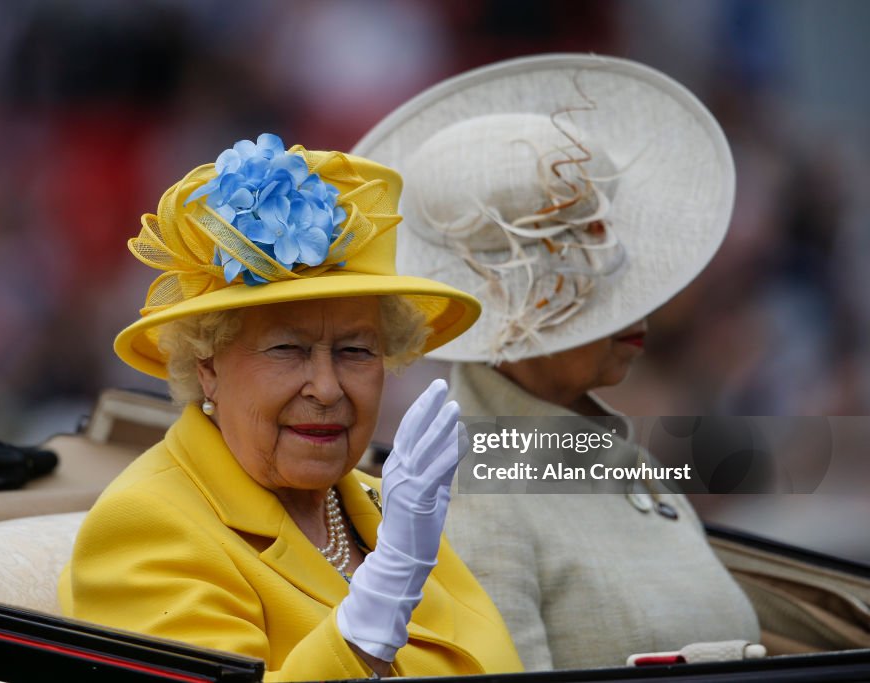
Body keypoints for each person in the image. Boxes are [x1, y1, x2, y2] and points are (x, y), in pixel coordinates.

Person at [58, 133, 523, 680]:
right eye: (287, 350)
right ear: (207, 366)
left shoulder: (384, 508)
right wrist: (386, 592)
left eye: (355, 351)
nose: (326, 389)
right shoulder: (146, 527)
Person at [353, 55, 762, 670]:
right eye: (587, 277)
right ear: (514, 312)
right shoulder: (470, 499)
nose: (637, 301)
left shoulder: (606, 461)